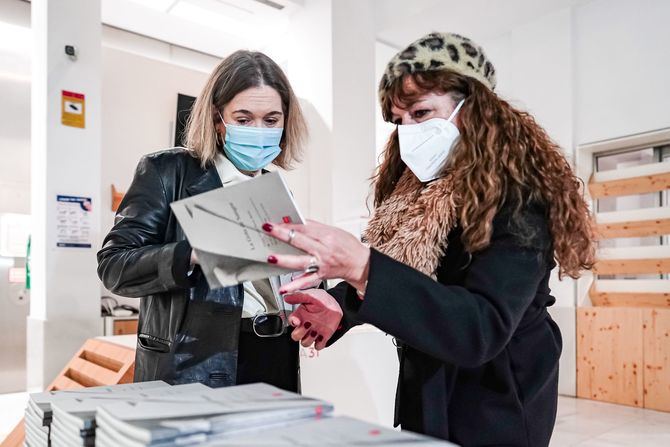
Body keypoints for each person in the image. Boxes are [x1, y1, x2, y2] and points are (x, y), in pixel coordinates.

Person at [261, 32, 595, 446]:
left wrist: (362, 265)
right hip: (430, 392)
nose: (408, 132)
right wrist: (341, 308)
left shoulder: (518, 196)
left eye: (421, 113)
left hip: (496, 405)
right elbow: (410, 278)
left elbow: (480, 328)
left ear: (475, 108)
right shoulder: (416, 193)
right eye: (399, 121)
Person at [97, 50, 307, 391]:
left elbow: (276, 277)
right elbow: (114, 266)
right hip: (195, 362)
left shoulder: (276, 189)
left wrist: (307, 289)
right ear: (216, 118)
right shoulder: (168, 173)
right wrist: (191, 254)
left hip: (275, 353)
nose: (259, 130)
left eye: (271, 120)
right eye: (243, 118)